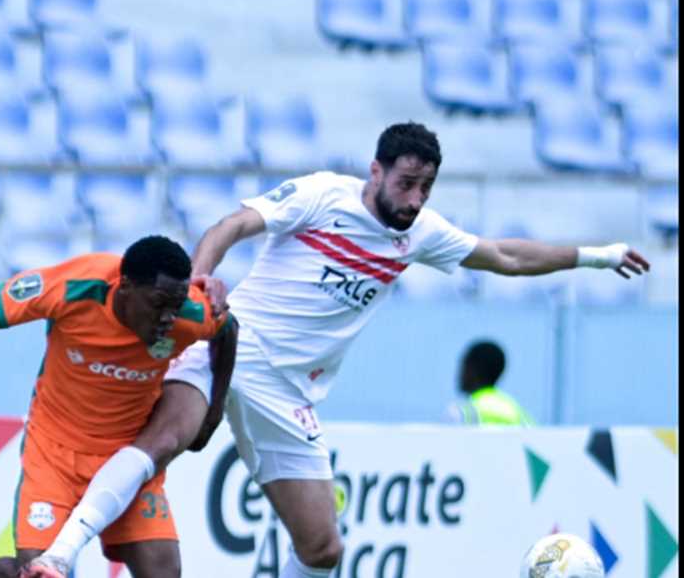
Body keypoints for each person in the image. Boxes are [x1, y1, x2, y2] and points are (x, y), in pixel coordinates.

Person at [158, 122, 651, 577]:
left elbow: (506, 256)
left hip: (289, 393)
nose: (416, 199)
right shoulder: (322, 195)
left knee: (323, 549)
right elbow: (231, 226)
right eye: (407, 183)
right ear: (376, 171)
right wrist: (198, 286)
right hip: (237, 341)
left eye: (426, 188)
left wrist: (598, 257)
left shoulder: (422, 232)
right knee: (163, 443)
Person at [0, 236, 238, 578]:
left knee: (164, 574)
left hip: (128, 458)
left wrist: (214, 412)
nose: (168, 319)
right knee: (34, 574)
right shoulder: (73, 288)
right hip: (54, 455)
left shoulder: (190, 312)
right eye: (158, 305)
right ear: (125, 287)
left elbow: (228, 330)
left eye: (175, 307)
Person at [448, 340, 534, 426]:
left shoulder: (460, 412)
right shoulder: (518, 412)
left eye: (464, 365)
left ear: (472, 369)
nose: (459, 374)